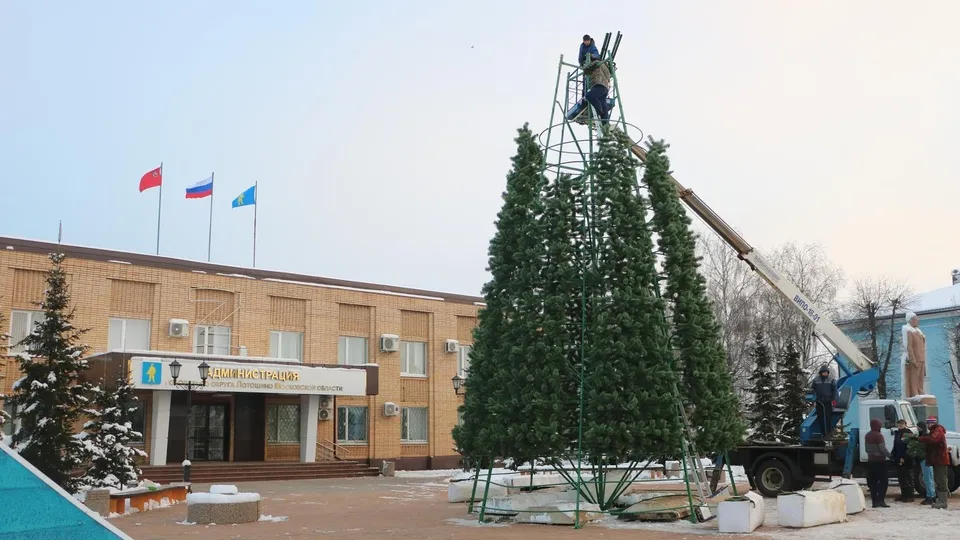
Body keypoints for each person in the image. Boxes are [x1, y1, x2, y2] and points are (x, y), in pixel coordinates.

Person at [918, 416, 949, 509]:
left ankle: (943, 502)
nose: (929, 424)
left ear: (935, 423)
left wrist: (919, 439)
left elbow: (932, 439)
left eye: (931, 423)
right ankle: (941, 500)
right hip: (936, 460)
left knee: (941, 480)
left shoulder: (938, 430)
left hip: (941, 459)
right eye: (928, 423)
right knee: (938, 480)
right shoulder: (933, 431)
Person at [864, 418, 891, 508]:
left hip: (870, 461)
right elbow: (882, 448)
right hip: (880, 462)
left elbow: (866, 449)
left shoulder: (867, 435)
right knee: (883, 481)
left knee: (873, 483)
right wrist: (890, 456)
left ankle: (874, 502)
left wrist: (872, 454)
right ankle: (881, 500)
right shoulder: (879, 436)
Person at [581, 53, 612, 126]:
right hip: (605, 87)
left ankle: (599, 110)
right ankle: (605, 123)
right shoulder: (606, 66)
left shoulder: (596, 62)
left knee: (589, 96)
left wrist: (584, 68)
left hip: (599, 84)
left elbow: (587, 69)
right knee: (603, 104)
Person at [910, 421, 936, 505]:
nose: (917, 428)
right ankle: (932, 496)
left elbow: (923, 448)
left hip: (925, 459)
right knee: (930, 478)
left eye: (918, 427)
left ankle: (930, 496)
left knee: (927, 479)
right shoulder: (925, 434)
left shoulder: (924, 436)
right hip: (927, 459)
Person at [902, 312, 927, 398]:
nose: (917, 321)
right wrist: (912, 359)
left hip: (921, 357)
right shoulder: (909, 331)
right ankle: (914, 392)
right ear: (911, 321)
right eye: (916, 319)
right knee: (914, 376)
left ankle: (920, 390)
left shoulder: (918, 331)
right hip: (915, 358)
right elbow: (909, 347)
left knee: (920, 377)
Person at [891, 419, 916, 502]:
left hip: (906, 459)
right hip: (898, 458)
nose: (900, 425)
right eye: (899, 424)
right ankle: (904, 495)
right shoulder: (897, 433)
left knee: (907, 477)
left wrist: (904, 457)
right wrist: (893, 454)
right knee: (901, 477)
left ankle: (910, 496)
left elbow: (909, 447)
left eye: (902, 424)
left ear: (905, 424)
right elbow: (896, 445)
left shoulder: (908, 433)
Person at [811, 365, 838, 440]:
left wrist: (834, 399)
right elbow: (812, 390)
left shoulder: (831, 380)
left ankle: (828, 433)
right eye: (824, 372)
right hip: (819, 402)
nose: (825, 373)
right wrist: (813, 400)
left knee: (828, 418)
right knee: (820, 418)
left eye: (826, 372)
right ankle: (823, 433)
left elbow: (835, 390)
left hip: (828, 402)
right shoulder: (816, 380)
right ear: (821, 373)